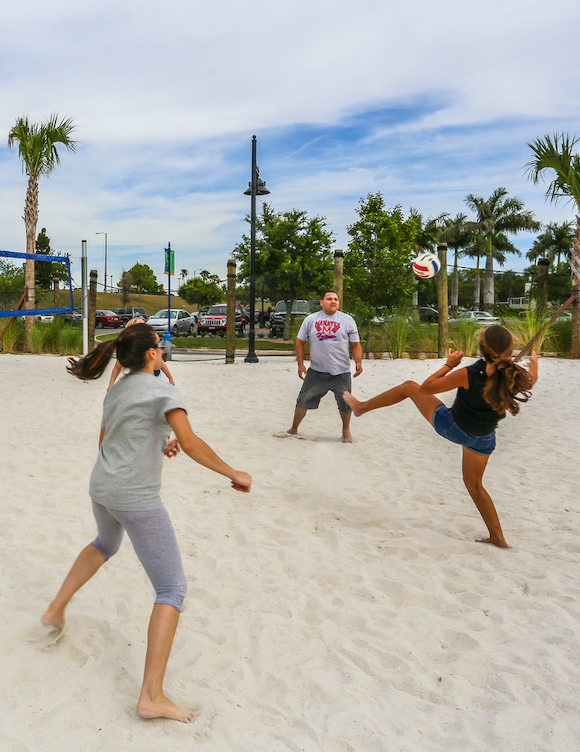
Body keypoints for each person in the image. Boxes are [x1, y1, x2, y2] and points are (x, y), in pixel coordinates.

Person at [44, 323, 251, 724]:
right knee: (172, 589)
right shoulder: (162, 390)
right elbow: (190, 443)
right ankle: (152, 696)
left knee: (105, 544)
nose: (164, 349)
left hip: (101, 487)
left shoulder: (117, 389)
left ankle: (55, 610)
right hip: (134, 498)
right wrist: (234, 472)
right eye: (160, 345)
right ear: (153, 354)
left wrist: (159, 438)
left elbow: (111, 439)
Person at [342, 325, 537, 549]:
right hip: (482, 438)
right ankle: (498, 538)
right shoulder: (514, 375)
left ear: (482, 348)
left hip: (453, 427)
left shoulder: (470, 373)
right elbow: (531, 380)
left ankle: (362, 407)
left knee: (409, 387)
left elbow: (426, 388)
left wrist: (448, 365)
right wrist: (535, 365)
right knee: (475, 486)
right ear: (510, 349)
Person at [285, 291, 362, 443]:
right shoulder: (311, 319)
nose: (333, 301)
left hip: (341, 372)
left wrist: (358, 361)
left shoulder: (347, 320)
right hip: (317, 371)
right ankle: (294, 428)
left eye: (336, 299)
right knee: (303, 399)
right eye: (329, 299)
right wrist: (301, 364)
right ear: (322, 302)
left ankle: (346, 430)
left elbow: (356, 344)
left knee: (345, 403)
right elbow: (300, 342)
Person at [106, 317, 175, 390]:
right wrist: (111, 384)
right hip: (137, 380)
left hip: (155, 377)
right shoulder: (131, 351)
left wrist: (170, 377)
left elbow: (161, 363)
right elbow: (117, 367)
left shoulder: (150, 346)